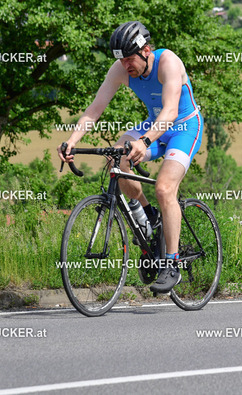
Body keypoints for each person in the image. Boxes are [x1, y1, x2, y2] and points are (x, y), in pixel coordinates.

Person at [58, 21, 203, 293]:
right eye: (121, 60)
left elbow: (171, 111)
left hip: (184, 128)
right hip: (154, 125)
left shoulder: (168, 62)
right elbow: (95, 108)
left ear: (146, 51)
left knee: (164, 188)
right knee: (116, 158)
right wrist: (72, 141)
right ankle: (147, 216)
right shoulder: (120, 69)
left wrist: (145, 141)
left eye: (129, 59)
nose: (125, 66)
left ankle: (171, 264)